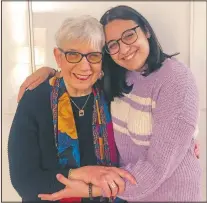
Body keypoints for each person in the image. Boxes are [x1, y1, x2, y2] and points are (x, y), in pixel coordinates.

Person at [17, 5, 202, 202]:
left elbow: (158, 162)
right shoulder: (115, 79)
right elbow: (25, 180)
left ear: (146, 30)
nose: (123, 49)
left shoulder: (166, 80)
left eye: (129, 35)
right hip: (127, 194)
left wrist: (93, 189)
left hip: (164, 195)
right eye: (113, 44)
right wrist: (51, 71)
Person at [8, 15, 136, 203]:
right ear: (58, 57)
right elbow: (25, 182)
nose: (84, 66)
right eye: (73, 55)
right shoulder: (35, 99)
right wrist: (81, 174)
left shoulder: (114, 93)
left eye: (93, 56)